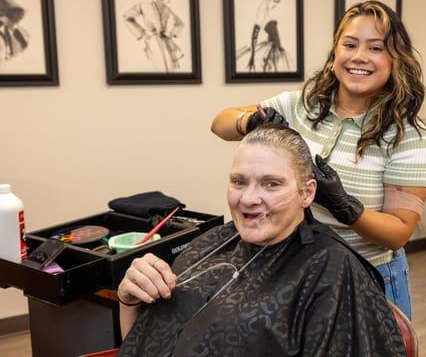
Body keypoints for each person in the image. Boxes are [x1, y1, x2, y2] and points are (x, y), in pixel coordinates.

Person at [211, 0, 426, 319]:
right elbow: (220, 122)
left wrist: (345, 206)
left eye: (375, 48)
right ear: (335, 54)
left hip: (369, 278)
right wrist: (249, 122)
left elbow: (399, 232)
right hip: (301, 272)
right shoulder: (300, 106)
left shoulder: (406, 135)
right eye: (350, 44)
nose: (359, 57)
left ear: (395, 60)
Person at [116, 124, 407, 356]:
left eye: (271, 183)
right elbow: (145, 342)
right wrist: (129, 301)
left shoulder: (330, 270)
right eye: (239, 182)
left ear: (307, 193)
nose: (249, 198)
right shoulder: (210, 244)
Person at [123, 0, 184, 72]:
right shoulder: (143, 6)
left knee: (169, 70)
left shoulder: (167, 9)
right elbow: (127, 17)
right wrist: (142, 33)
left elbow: (180, 24)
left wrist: (171, 33)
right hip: (152, 41)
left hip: (165, 41)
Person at [237, 0, 290, 72]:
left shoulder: (268, 7)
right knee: (277, 55)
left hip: (271, 34)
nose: (277, 0)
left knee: (276, 56)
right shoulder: (263, 8)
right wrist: (253, 55)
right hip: (270, 33)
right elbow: (256, 28)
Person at [0, 0, 29, 69]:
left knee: (9, 30)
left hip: (9, 15)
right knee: (7, 30)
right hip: (7, 16)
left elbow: (4, 10)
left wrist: (5, 18)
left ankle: (19, 46)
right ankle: (12, 49)